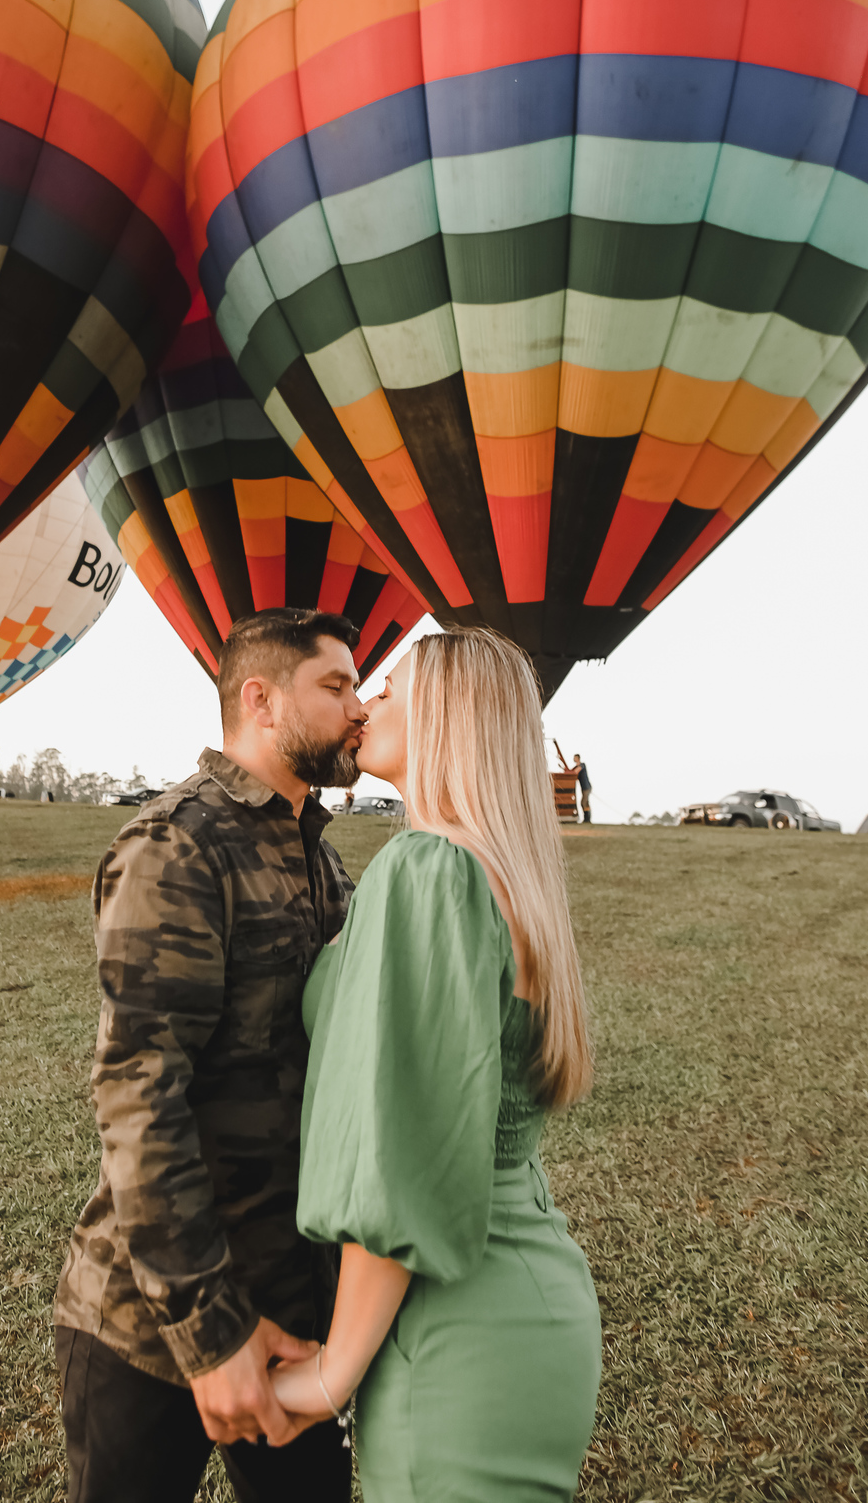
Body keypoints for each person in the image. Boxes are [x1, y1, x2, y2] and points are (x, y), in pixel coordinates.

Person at [271, 628, 602, 1501]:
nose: (366, 703)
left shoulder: (431, 872)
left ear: (448, 714)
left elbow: (406, 1150)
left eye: (389, 687)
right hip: (530, 1293)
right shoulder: (507, 875)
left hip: (452, 1326)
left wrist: (334, 1370)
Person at [53, 607, 368, 1503]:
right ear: (261, 700)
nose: (359, 708)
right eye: (336, 685)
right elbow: (139, 1093)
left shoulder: (324, 863)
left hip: (296, 1307)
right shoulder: (180, 845)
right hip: (154, 1331)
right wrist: (209, 1332)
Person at [573, 752, 592, 822]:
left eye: (575, 758)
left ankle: (587, 818)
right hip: (583, 788)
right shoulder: (577, 766)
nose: (574, 759)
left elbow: (575, 772)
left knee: (584, 802)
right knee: (584, 802)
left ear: (578, 758)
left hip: (587, 787)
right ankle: (586, 818)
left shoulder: (582, 765)